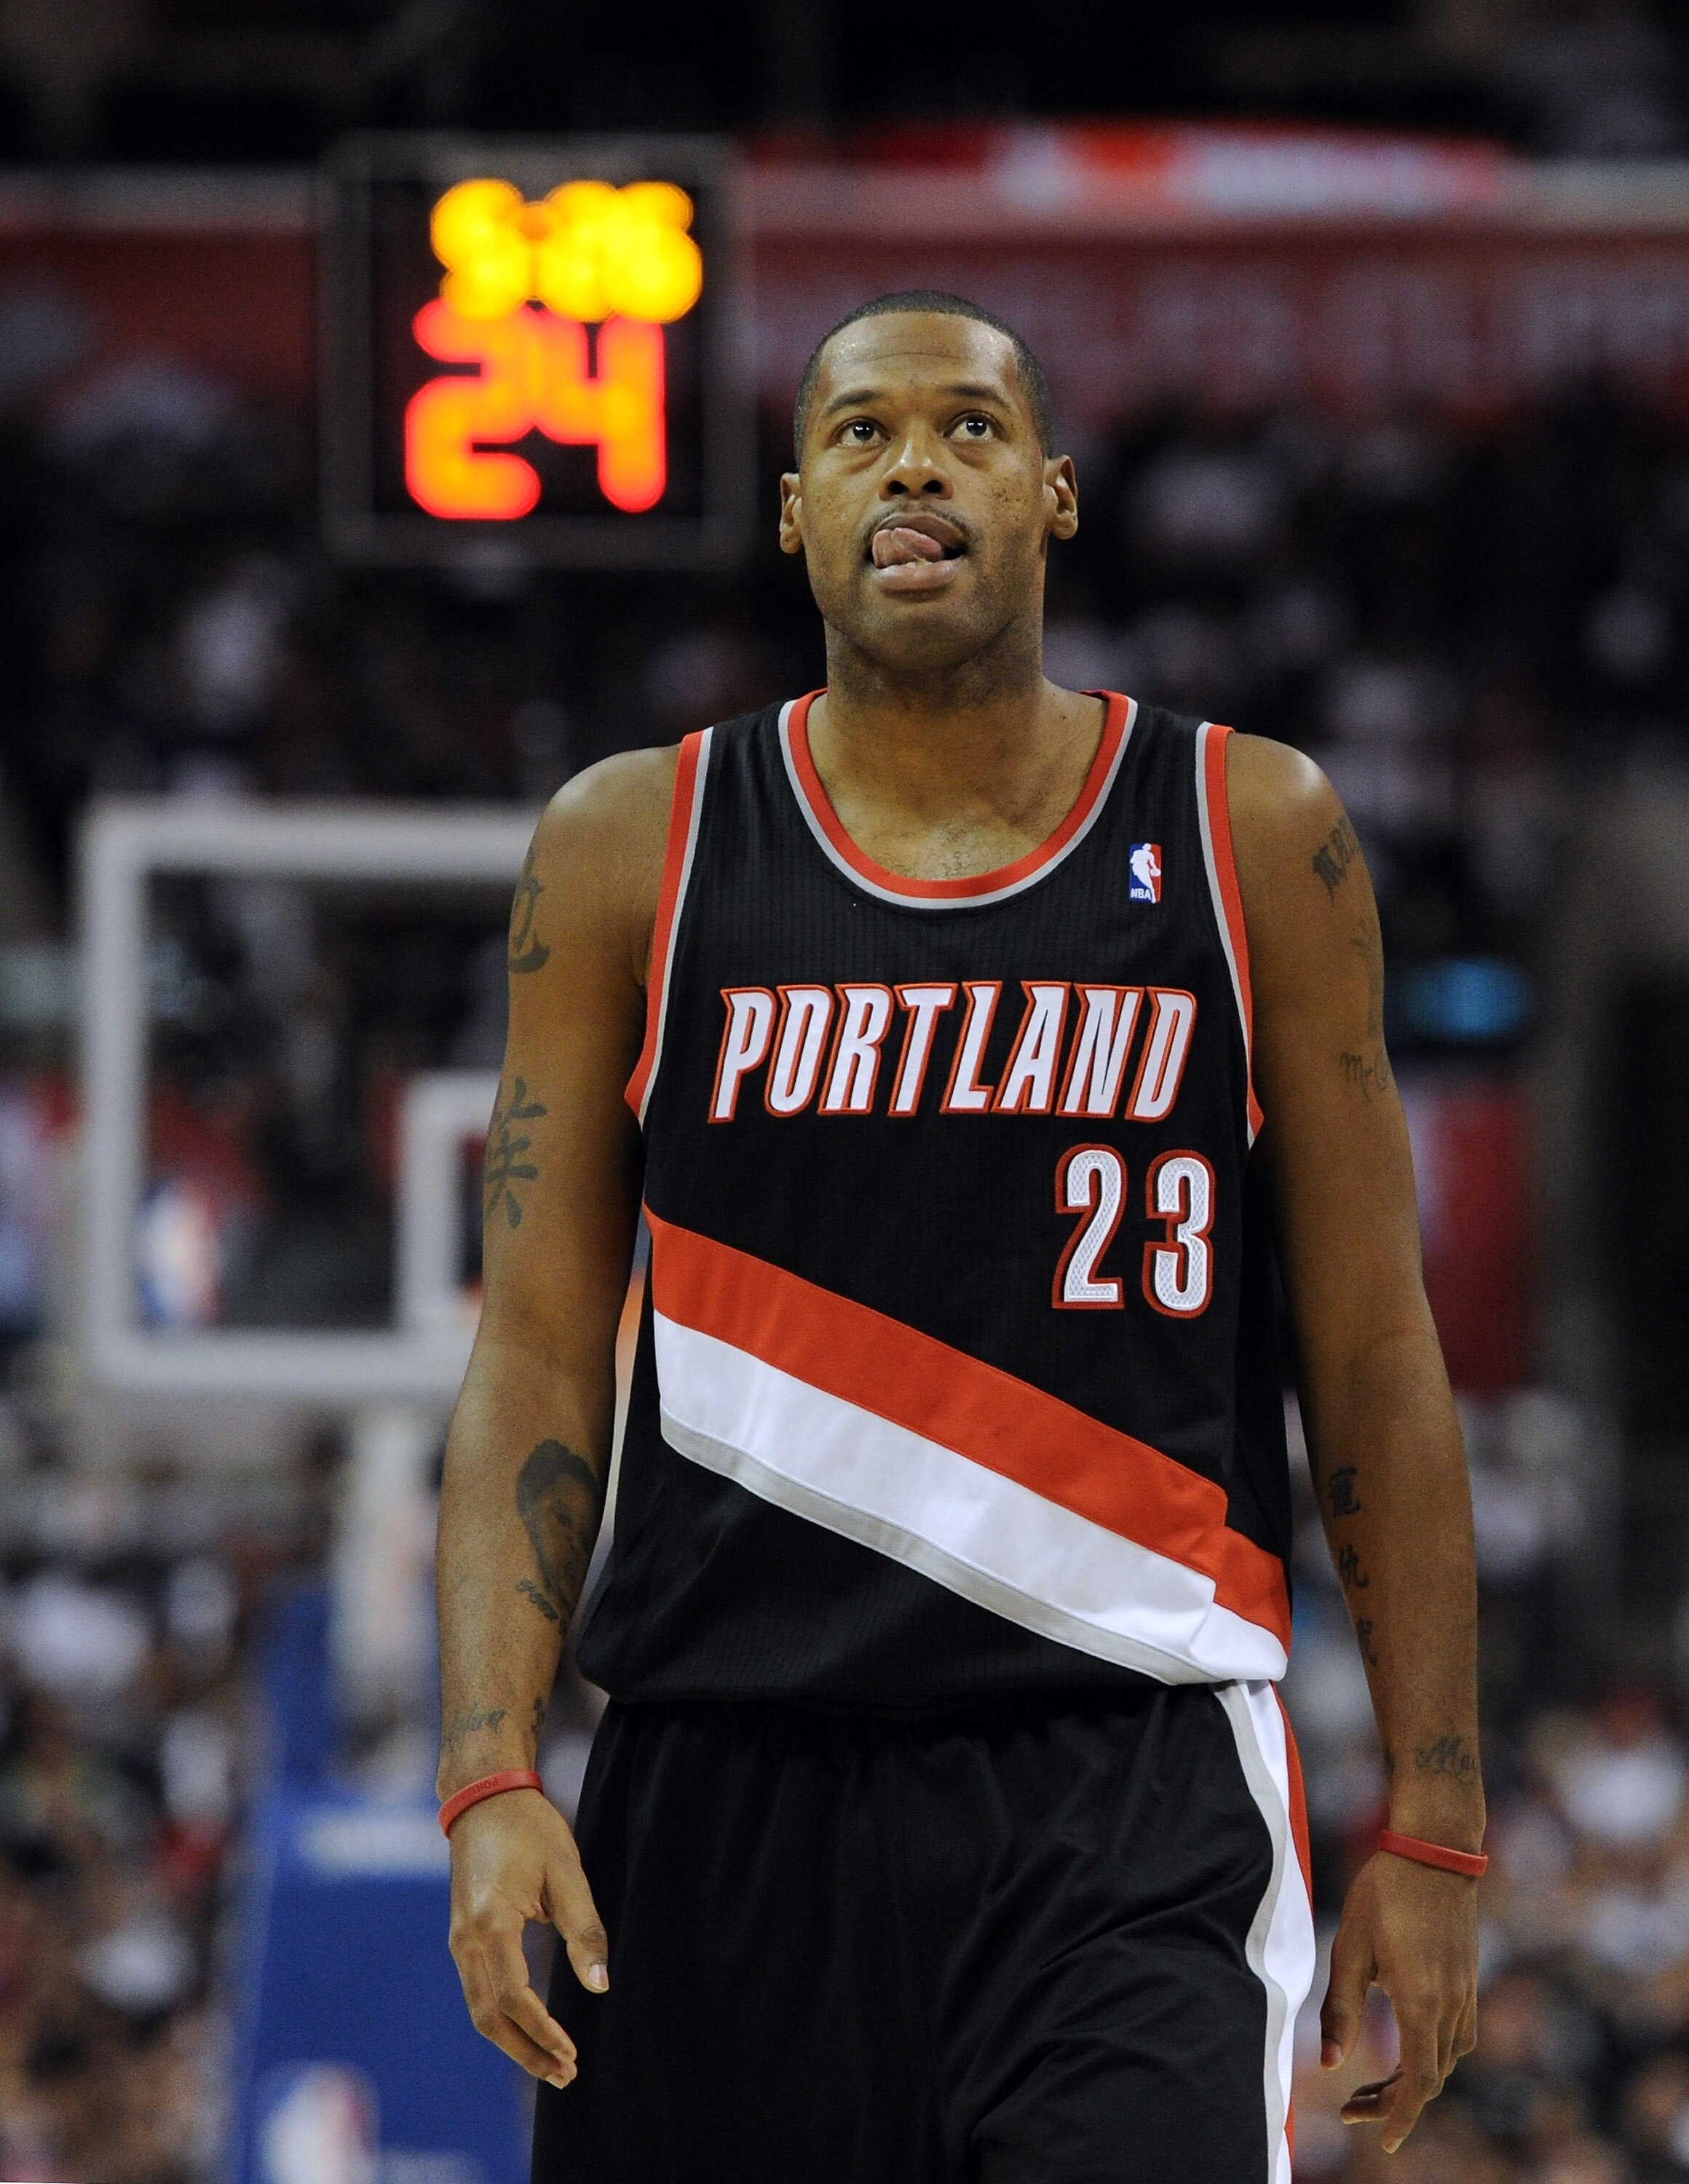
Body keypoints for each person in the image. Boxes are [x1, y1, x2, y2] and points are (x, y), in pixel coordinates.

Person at [434, 290, 1484, 2183]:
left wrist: (1438, 1814)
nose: (913, 460)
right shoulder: (626, 848)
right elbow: (529, 1349)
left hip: (1131, 1774)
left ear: (1057, 494)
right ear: (792, 513)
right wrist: (491, 1767)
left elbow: (1380, 1356)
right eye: (857, 432)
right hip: (719, 1774)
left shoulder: (1252, 833)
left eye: (970, 428)